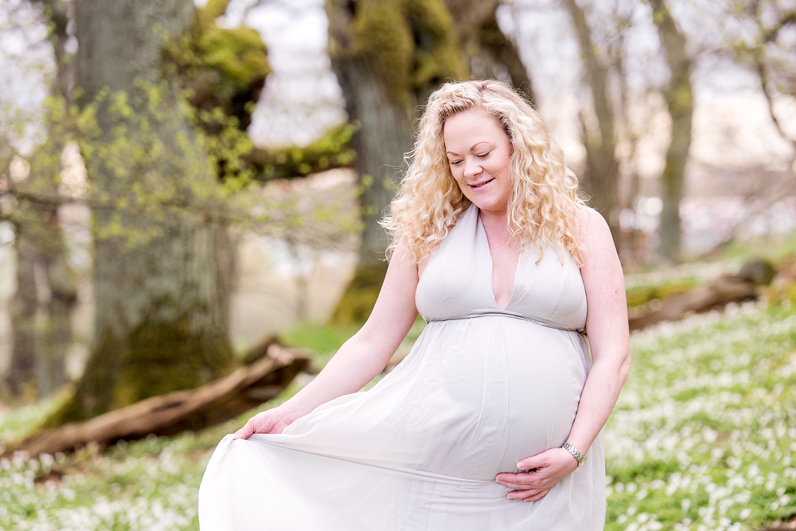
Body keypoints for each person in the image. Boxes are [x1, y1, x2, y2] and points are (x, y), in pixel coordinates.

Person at [198, 79, 631, 531]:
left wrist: (574, 451)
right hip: (436, 471)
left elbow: (613, 355)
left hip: (546, 481)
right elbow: (373, 341)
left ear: (518, 146)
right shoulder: (427, 231)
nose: (471, 171)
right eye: (456, 160)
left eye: (483, 154)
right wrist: (289, 412)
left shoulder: (580, 227)